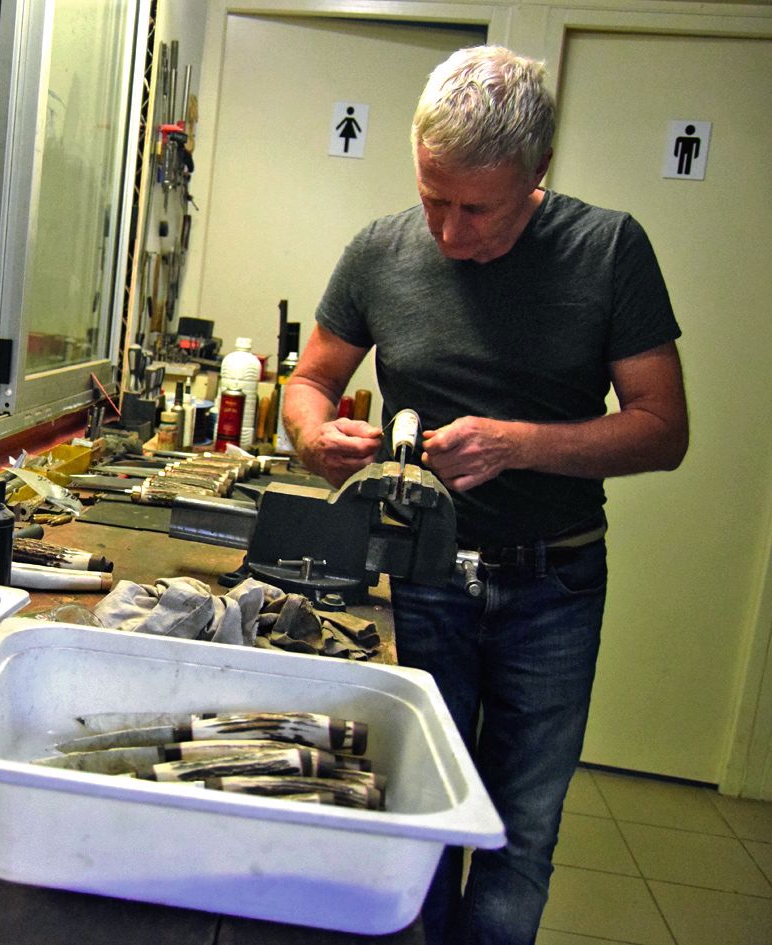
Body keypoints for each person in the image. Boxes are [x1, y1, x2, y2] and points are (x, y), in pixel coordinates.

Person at [282, 45, 688, 945]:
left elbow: (663, 430)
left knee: (516, 832)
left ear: (538, 170)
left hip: (554, 587)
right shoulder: (380, 249)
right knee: (414, 814)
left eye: (476, 209)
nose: (450, 233)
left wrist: (520, 445)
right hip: (420, 580)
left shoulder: (607, 249)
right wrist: (314, 436)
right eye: (433, 198)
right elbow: (307, 383)